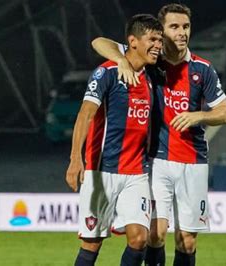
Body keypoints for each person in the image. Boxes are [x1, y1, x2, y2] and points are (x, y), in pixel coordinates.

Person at [91, 4, 226, 266]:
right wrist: (121, 59)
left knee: (187, 240)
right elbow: (99, 42)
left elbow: (225, 113)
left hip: (193, 161)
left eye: (186, 27)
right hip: (157, 161)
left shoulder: (203, 70)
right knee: (155, 234)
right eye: (174, 27)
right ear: (162, 31)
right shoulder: (151, 59)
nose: (182, 33)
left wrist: (198, 116)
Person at [65, 14, 163, 266]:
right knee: (91, 244)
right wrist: (76, 158)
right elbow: (85, 114)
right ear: (132, 41)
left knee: (140, 239)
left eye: (160, 40)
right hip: (101, 171)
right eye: (152, 39)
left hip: (136, 173)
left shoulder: (151, 76)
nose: (158, 46)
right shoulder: (106, 73)